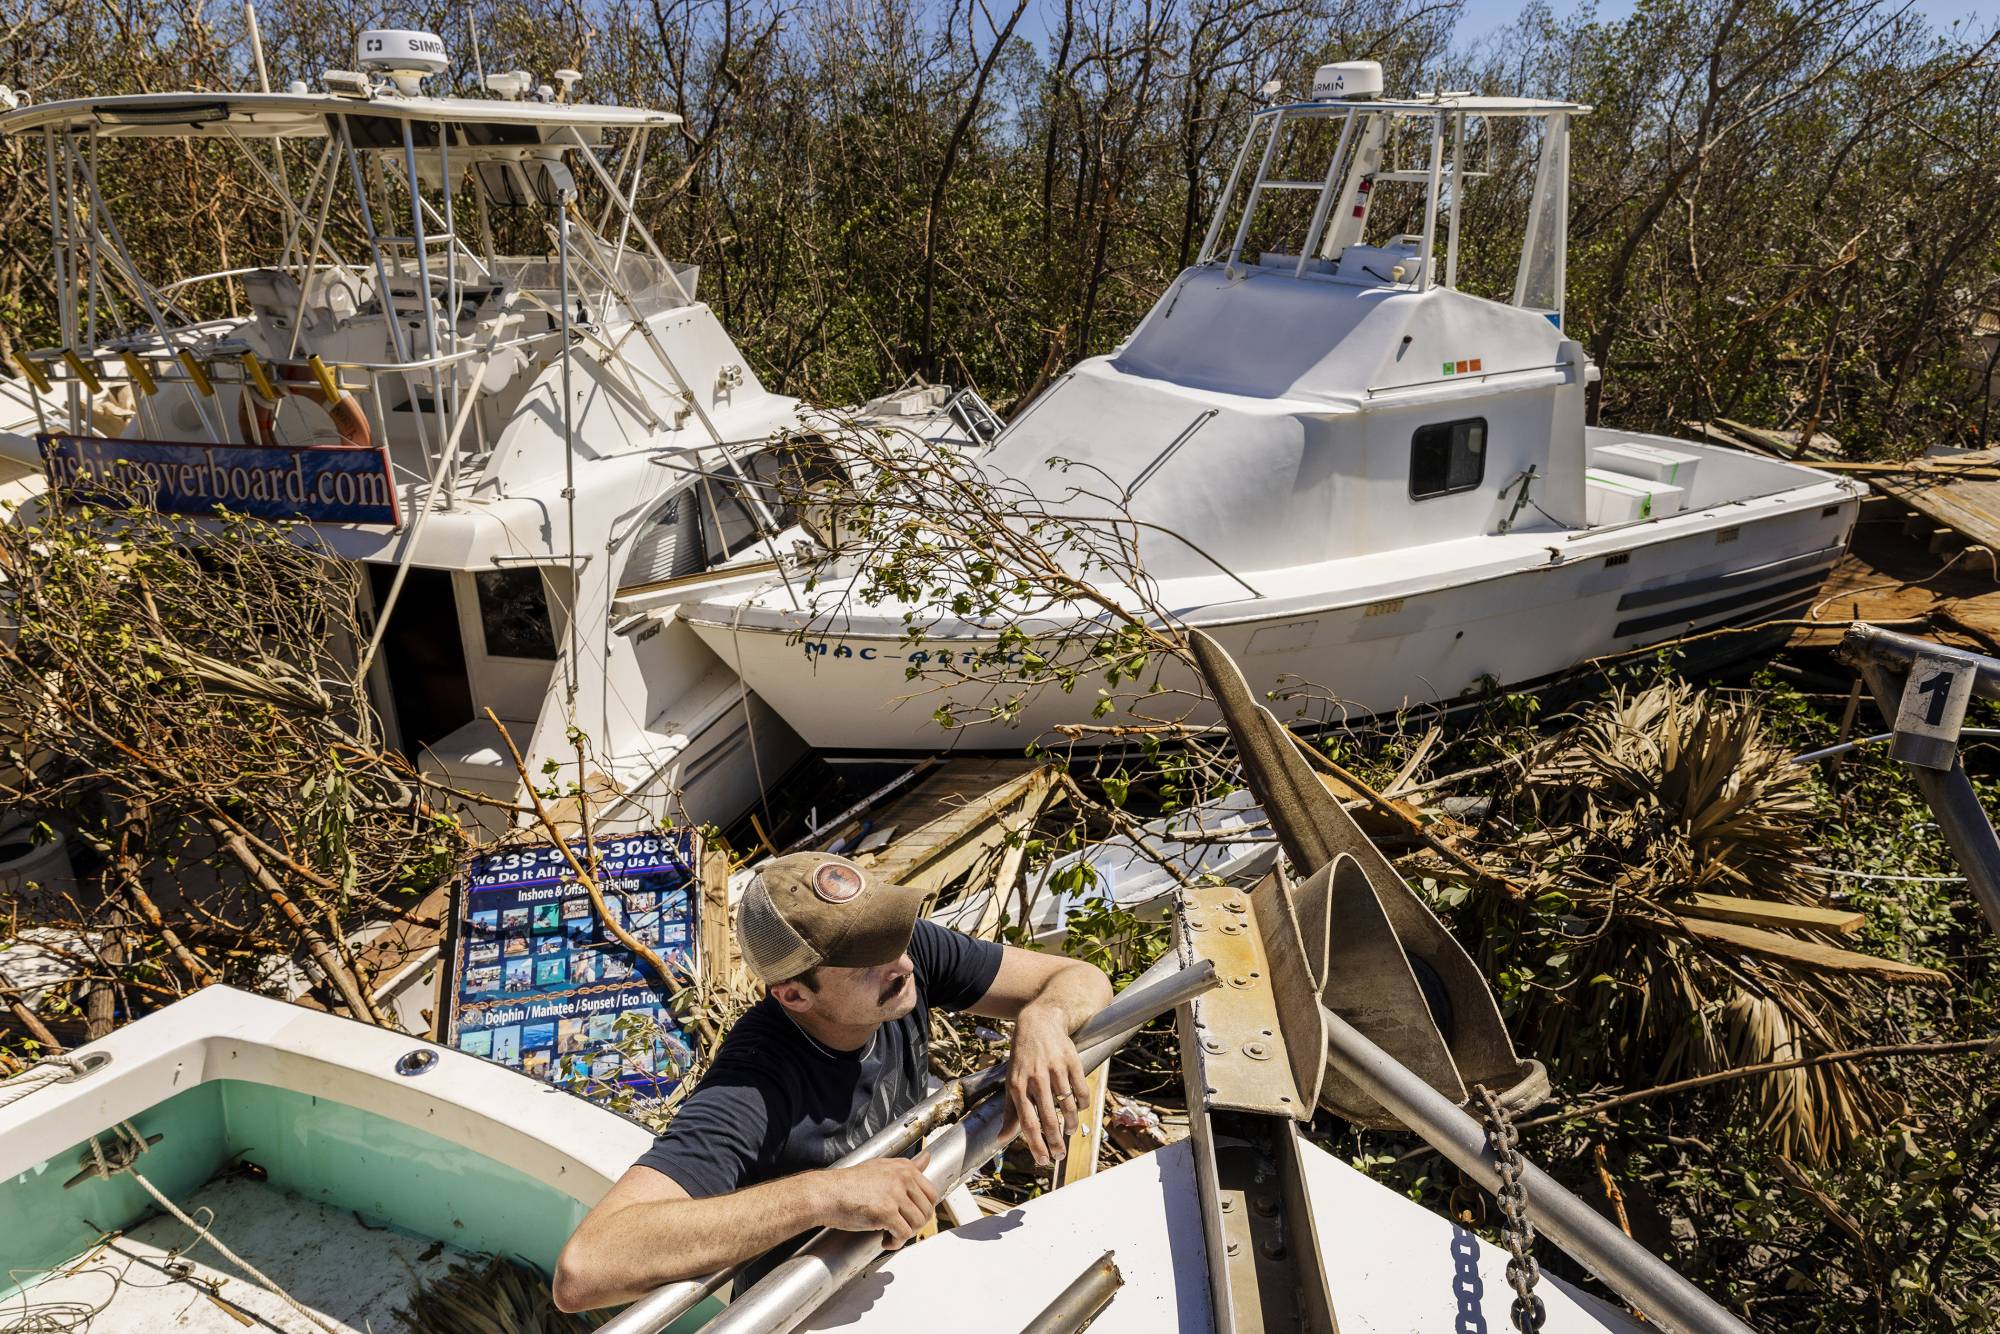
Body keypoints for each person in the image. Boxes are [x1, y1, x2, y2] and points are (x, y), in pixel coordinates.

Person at [551, 851, 1113, 1313]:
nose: (903, 965)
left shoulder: (900, 955)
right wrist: (823, 1192)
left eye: (891, 936)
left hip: (898, 1271)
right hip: (803, 1311)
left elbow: (1080, 977)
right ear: (795, 995)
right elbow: (585, 1270)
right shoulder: (752, 1087)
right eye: (865, 958)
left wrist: (1041, 1020)